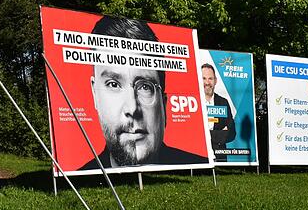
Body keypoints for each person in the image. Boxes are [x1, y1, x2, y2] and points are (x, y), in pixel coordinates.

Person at [79, 16, 207, 170]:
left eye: (145, 87)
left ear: (163, 103)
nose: (132, 108)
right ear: (95, 94)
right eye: (113, 84)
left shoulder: (197, 167)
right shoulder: (79, 176)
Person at [201, 63, 235, 161]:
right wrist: (219, 133)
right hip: (199, 155)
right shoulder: (193, 102)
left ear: (215, 81)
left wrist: (208, 134)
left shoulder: (223, 102)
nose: (207, 82)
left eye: (210, 79)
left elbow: (232, 132)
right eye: (204, 78)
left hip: (220, 156)